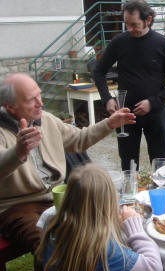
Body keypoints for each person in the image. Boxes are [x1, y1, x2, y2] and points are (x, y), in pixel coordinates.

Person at [0, 73, 135, 256]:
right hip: (19, 207)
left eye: (39, 95)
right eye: (32, 100)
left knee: (98, 223)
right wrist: (18, 152)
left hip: (58, 196)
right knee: (49, 245)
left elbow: (79, 139)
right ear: (10, 107)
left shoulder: (46, 119)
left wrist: (109, 124)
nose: (40, 103)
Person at [93, 0, 165, 170]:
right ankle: (130, 196)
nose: (130, 29)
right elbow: (98, 71)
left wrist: (153, 102)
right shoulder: (119, 42)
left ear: (148, 20)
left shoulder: (163, 44)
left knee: (161, 165)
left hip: (155, 113)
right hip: (125, 115)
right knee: (128, 166)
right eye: (127, 24)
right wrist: (107, 99)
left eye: (134, 24)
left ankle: (161, 196)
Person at [36, 163, 163, 271]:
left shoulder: (52, 227)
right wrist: (135, 228)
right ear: (109, 203)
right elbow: (153, 267)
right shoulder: (108, 250)